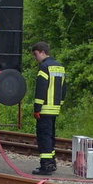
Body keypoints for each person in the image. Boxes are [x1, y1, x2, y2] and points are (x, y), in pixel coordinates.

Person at [30, 41, 66, 176]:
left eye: (35, 55)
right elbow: (64, 88)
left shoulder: (44, 67)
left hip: (44, 109)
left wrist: (37, 108)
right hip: (55, 108)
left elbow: (41, 89)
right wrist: (60, 103)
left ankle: (45, 166)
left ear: (41, 52)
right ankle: (52, 163)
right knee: (50, 136)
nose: (35, 58)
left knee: (44, 137)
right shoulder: (60, 67)